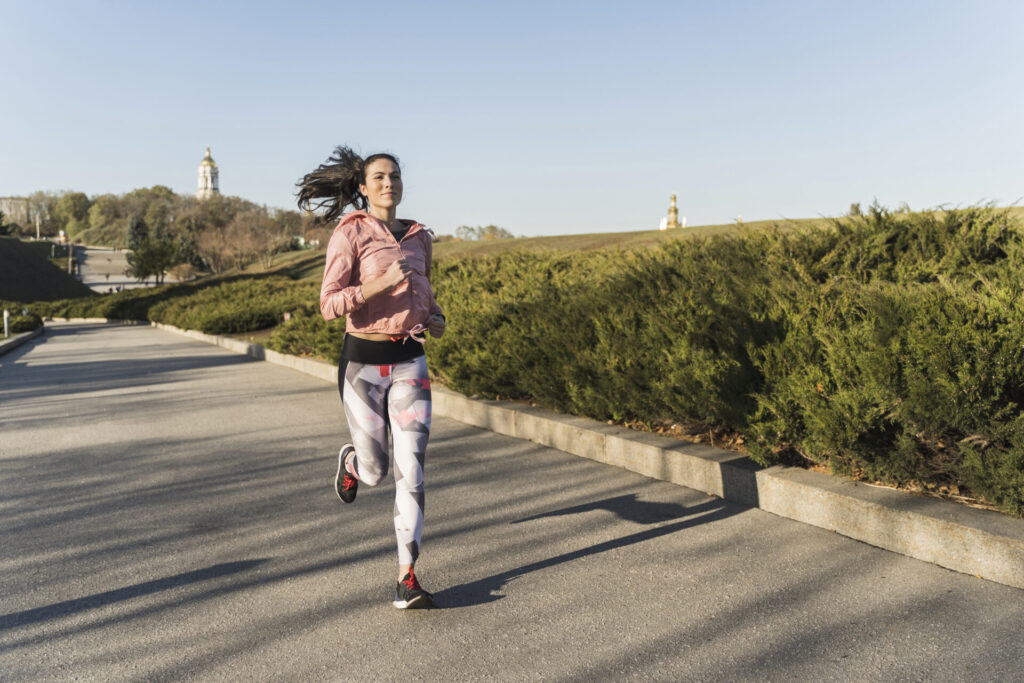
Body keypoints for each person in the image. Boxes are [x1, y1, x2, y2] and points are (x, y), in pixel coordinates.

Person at [297, 146, 446, 610]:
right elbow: (329, 305)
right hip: (362, 361)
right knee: (379, 473)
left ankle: (407, 577)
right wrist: (375, 288)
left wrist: (437, 316)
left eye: (395, 176)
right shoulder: (351, 234)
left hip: (409, 360)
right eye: (379, 177)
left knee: (413, 472)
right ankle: (354, 464)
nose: (389, 183)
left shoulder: (419, 236)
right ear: (363, 188)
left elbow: (424, 291)